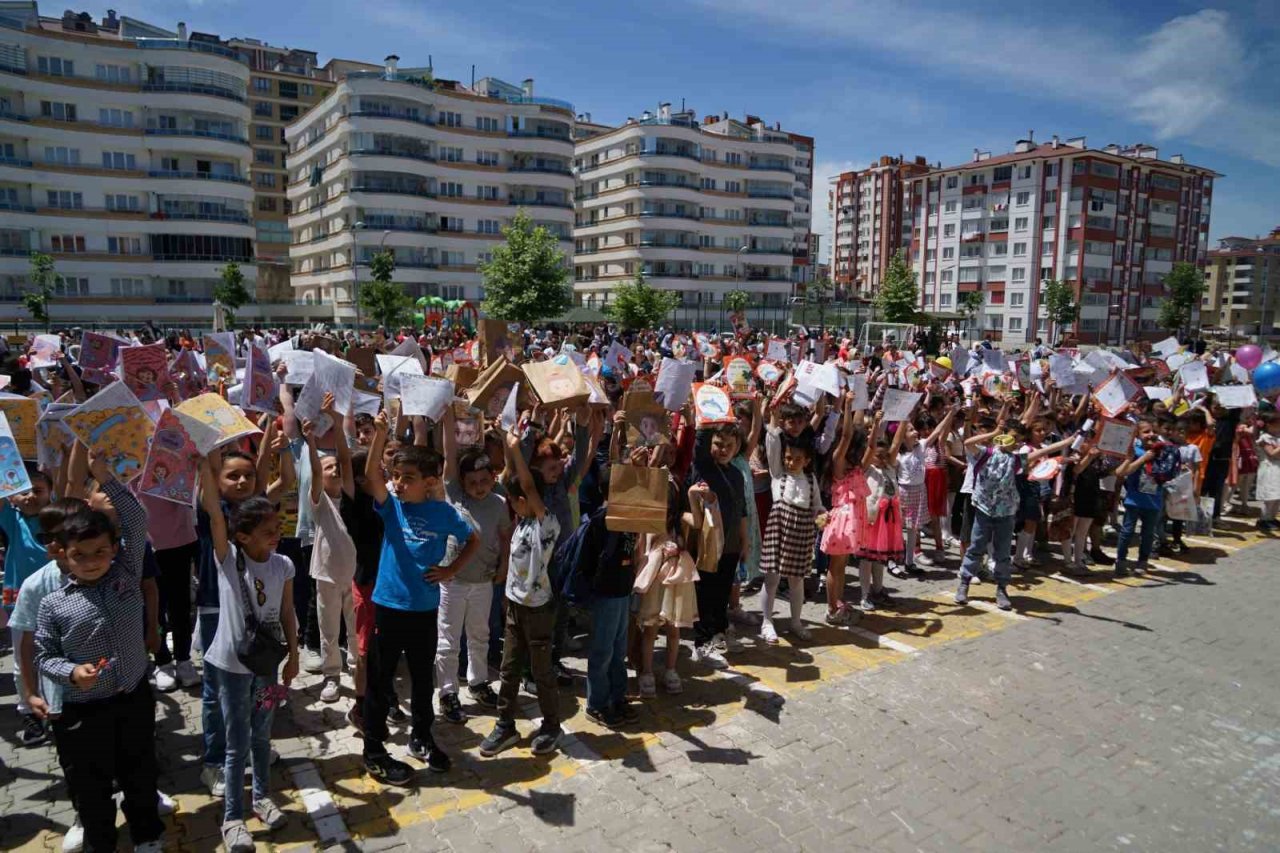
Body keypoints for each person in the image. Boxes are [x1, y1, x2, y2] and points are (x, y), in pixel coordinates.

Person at [33, 452, 164, 853]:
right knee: (92, 787)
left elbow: (136, 519)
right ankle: (101, 842)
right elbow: (44, 655)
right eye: (80, 555)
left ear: (114, 549)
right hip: (85, 711)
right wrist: (71, 673)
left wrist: (106, 478)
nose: (91, 562)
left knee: (140, 772)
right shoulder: (53, 604)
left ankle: (147, 836)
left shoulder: (126, 572)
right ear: (62, 554)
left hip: (133, 695)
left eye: (100, 552)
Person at [361, 412, 479, 785]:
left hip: (425, 610)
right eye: (396, 475)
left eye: (407, 478)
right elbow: (371, 476)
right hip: (388, 608)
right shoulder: (392, 506)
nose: (398, 483)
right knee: (380, 681)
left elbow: (472, 538)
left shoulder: (443, 513)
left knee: (423, 679)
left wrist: (450, 569)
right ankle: (374, 752)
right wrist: (380, 435)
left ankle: (422, 737)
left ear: (429, 483)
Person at [198, 467, 298, 853]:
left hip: (267, 666)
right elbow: (214, 513)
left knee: (262, 733)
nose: (276, 534)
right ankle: (232, 818)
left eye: (277, 527)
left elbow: (287, 613)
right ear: (242, 537)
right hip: (232, 667)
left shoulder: (283, 565)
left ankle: (262, 798)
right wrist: (205, 463)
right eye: (268, 531)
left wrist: (293, 656)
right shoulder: (228, 559)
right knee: (236, 741)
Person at [479, 427, 563, 757]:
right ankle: (505, 725)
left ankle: (551, 726)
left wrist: (515, 449)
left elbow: (527, 485)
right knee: (509, 667)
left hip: (538, 610)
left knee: (541, 671)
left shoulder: (546, 523)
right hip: (515, 607)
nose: (511, 505)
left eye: (515, 501)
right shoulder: (521, 525)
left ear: (526, 501)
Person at [437, 432, 510, 723]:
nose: (479, 487)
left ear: (493, 478)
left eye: (484, 481)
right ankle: (447, 693)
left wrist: (504, 567)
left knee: (480, 635)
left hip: (483, 581)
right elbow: (449, 453)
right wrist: (448, 419)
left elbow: (505, 537)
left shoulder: (499, 502)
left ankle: (478, 682)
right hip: (453, 582)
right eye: (472, 483)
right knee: (448, 639)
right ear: (462, 483)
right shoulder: (454, 495)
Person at [304, 394, 357, 704]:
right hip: (325, 574)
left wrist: (336, 423)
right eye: (328, 467)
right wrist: (311, 442)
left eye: (336, 465)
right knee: (329, 628)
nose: (335, 469)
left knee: (354, 627)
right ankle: (332, 675)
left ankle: (357, 669)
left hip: (354, 575)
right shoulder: (320, 502)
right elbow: (313, 470)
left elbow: (347, 460)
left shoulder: (350, 496)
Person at [758, 410, 825, 643]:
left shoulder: (811, 479)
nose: (790, 462)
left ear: (806, 461)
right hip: (779, 529)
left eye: (797, 459)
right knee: (772, 579)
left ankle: (796, 622)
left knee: (797, 580)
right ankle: (767, 622)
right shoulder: (778, 473)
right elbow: (772, 444)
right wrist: (773, 419)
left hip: (802, 532)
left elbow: (817, 506)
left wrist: (822, 517)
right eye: (788, 458)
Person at [689, 422, 747, 667]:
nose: (723, 450)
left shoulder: (736, 474)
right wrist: (706, 422)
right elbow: (699, 444)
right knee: (706, 593)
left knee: (722, 591)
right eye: (718, 444)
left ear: (737, 447)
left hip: (731, 544)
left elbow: (742, 510)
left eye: (729, 445)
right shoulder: (704, 467)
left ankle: (719, 634)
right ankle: (702, 644)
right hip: (708, 543)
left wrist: (745, 541)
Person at [3, 464, 53, 745]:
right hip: (21, 603)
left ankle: (57, 705)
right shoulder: (12, 519)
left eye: (38, 490)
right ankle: (29, 711)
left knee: (55, 656)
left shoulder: (56, 518)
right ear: (12, 496)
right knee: (22, 661)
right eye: (23, 491)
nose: (30, 496)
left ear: (50, 493)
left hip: (55, 601)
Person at [820, 393, 868, 625]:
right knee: (836, 566)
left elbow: (866, 442)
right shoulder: (838, 462)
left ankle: (837, 602)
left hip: (853, 522)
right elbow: (848, 434)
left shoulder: (855, 468)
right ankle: (831, 609)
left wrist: (875, 422)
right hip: (841, 522)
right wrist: (848, 405)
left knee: (842, 566)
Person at [1256, 411, 1280, 531]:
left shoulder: (1278, 437)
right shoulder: (1264, 438)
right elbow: (1272, 454)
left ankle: (1272, 517)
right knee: (1270, 495)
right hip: (1269, 468)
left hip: (1278, 467)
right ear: (1269, 425)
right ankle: (1264, 519)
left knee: (1277, 495)